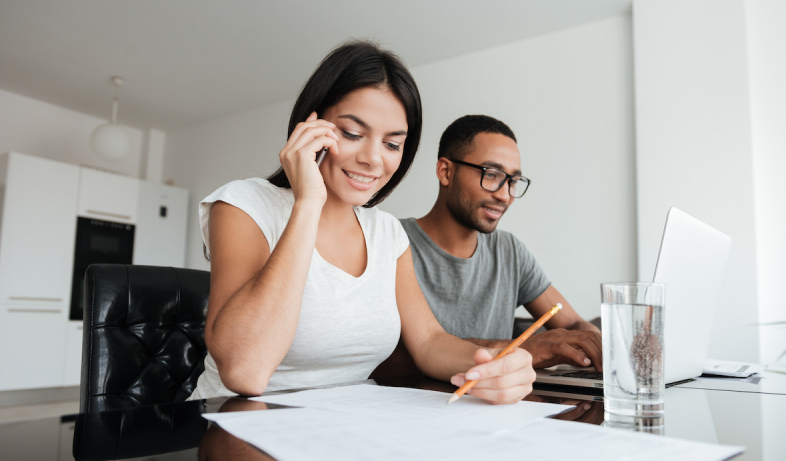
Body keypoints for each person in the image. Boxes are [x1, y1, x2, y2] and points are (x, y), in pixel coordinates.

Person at [188, 44, 535, 407]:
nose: (373, 159)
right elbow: (245, 371)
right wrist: (308, 203)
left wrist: (491, 364)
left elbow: (429, 342)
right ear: (310, 126)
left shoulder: (386, 233)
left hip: (347, 437)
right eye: (352, 134)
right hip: (235, 431)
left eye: (391, 143)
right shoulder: (245, 205)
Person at [395, 115, 602, 373]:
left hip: (496, 406)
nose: (504, 195)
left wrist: (597, 344)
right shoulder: (392, 241)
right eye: (491, 174)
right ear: (445, 172)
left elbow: (573, 324)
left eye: (513, 181)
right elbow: (392, 357)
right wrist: (526, 349)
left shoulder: (509, 251)